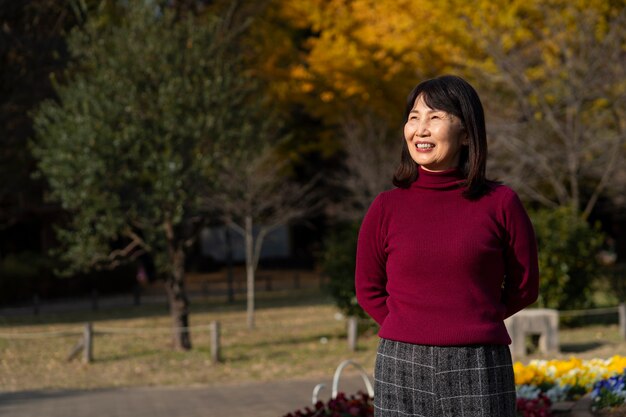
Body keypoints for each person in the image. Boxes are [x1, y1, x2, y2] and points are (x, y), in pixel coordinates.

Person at [355, 75, 539, 417]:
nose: (420, 129)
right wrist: (407, 326)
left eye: (435, 117)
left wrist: (475, 321)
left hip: (479, 362)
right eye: (414, 117)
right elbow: (367, 289)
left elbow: (525, 286)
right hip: (401, 364)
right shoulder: (385, 207)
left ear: (466, 133)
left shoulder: (501, 203)